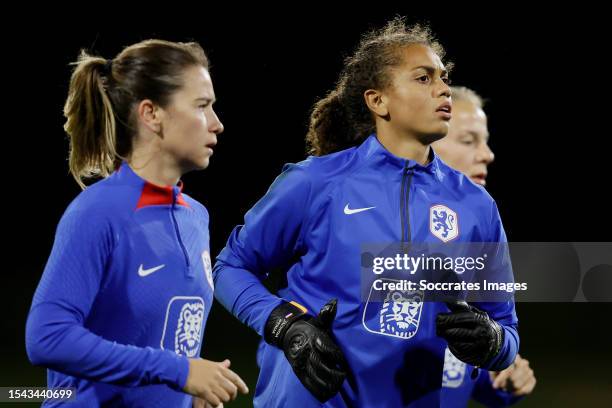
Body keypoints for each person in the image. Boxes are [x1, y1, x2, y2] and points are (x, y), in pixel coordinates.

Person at [213, 17, 519, 407]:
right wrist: (283, 324)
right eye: (424, 78)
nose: (443, 88)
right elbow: (230, 267)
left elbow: (506, 329)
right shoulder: (315, 183)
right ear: (378, 101)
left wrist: (492, 342)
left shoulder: (476, 205)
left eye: (443, 77)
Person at [25, 39, 248, 407]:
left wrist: (183, 394)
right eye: (202, 106)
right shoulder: (98, 212)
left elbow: (162, 344)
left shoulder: (196, 216)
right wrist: (178, 371)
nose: (217, 124)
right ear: (152, 114)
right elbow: (46, 337)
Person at [433, 86, 536, 406]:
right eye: (468, 140)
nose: (487, 154)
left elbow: (458, 371)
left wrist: (500, 370)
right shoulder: (364, 224)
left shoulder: (478, 236)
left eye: (486, 140)